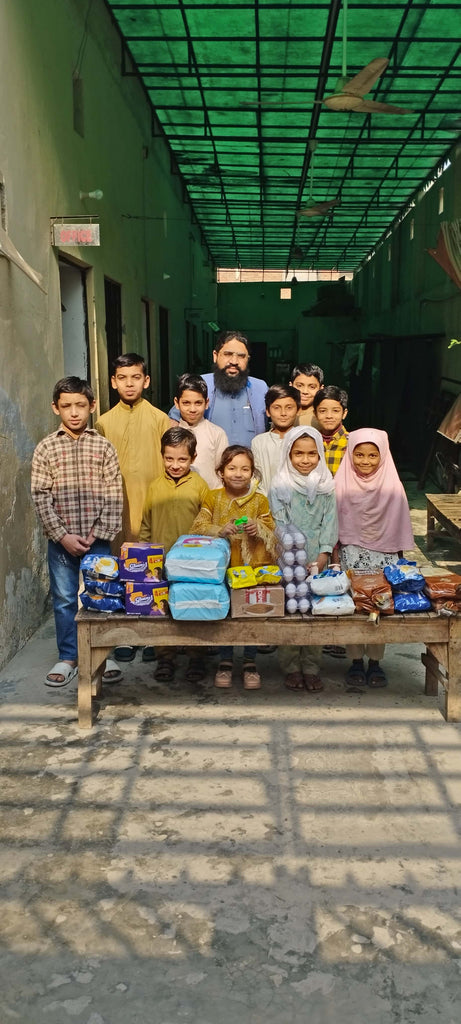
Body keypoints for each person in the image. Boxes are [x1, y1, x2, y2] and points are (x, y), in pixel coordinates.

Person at [31, 377, 123, 687]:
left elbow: (113, 492)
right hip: (61, 541)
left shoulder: (103, 446)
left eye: (80, 405)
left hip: (97, 539)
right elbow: (41, 495)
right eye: (66, 406)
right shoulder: (46, 447)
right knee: (65, 598)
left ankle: (102, 653)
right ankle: (68, 656)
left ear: (92, 406)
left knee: (102, 596)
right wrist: (62, 535)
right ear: (55, 408)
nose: (74, 413)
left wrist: (98, 533)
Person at [95, 352, 170, 663]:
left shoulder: (160, 419)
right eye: (122, 378)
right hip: (118, 510)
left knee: (152, 570)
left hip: (152, 507)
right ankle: (125, 635)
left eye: (135, 377)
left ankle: (153, 635)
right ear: (113, 382)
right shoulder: (102, 423)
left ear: (146, 380)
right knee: (122, 569)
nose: (129, 384)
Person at [192, 445, 277, 690]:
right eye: (231, 468)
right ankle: (225, 660)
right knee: (223, 613)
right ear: (221, 471)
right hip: (220, 568)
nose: (238, 473)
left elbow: (271, 531)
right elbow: (198, 525)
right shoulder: (212, 497)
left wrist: (256, 527)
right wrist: (220, 529)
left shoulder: (259, 500)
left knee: (251, 611)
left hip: (250, 568)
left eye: (244, 469)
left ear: (253, 473)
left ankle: (250, 661)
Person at [335, 428, 414, 689]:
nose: (365, 461)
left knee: (381, 604)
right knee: (355, 606)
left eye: (372, 455)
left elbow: (401, 524)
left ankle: (376, 662)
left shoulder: (392, 485)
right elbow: (332, 522)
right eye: (359, 454)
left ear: (383, 455)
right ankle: (356, 661)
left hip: (385, 554)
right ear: (350, 453)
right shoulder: (340, 482)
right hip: (351, 553)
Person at [139, 426, 211, 683]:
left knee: (192, 607)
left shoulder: (201, 487)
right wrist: (146, 555)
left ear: (193, 458)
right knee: (163, 609)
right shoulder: (155, 486)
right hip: (160, 561)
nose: (175, 464)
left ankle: (195, 656)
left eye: (182, 459)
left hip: (192, 563)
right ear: (162, 456)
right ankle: (165, 656)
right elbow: (146, 523)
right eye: (169, 458)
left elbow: (207, 525)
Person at [269, 426, 337, 693]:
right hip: (286, 558)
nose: (305, 460)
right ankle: (291, 667)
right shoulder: (280, 485)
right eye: (298, 453)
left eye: (312, 454)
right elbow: (277, 521)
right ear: (288, 454)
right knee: (290, 608)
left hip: (316, 558)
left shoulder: (327, 486)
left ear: (320, 455)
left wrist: (323, 554)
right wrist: (287, 555)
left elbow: (330, 522)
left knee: (313, 612)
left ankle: (311, 667)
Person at [169, 331, 268, 445]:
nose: (234, 361)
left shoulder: (260, 388)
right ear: (215, 356)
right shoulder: (200, 384)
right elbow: (174, 419)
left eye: (241, 356)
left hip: (251, 461)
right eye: (227, 354)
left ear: (248, 359)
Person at [172, 372, 228, 489]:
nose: (192, 409)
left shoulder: (217, 434)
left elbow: (222, 471)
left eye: (198, 403)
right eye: (186, 403)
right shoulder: (171, 434)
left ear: (206, 403)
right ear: (177, 403)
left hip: (210, 498)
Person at [251, 384, 301, 495]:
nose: (283, 413)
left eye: (289, 408)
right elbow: (256, 479)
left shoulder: (303, 440)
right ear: (268, 411)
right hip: (266, 505)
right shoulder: (259, 442)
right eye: (277, 408)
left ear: (298, 410)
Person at [313, 385, 349, 476]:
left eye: (335, 411)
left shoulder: (351, 442)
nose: (329, 416)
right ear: (315, 414)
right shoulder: (312, 442)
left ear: (344, 414)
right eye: (322, 411)